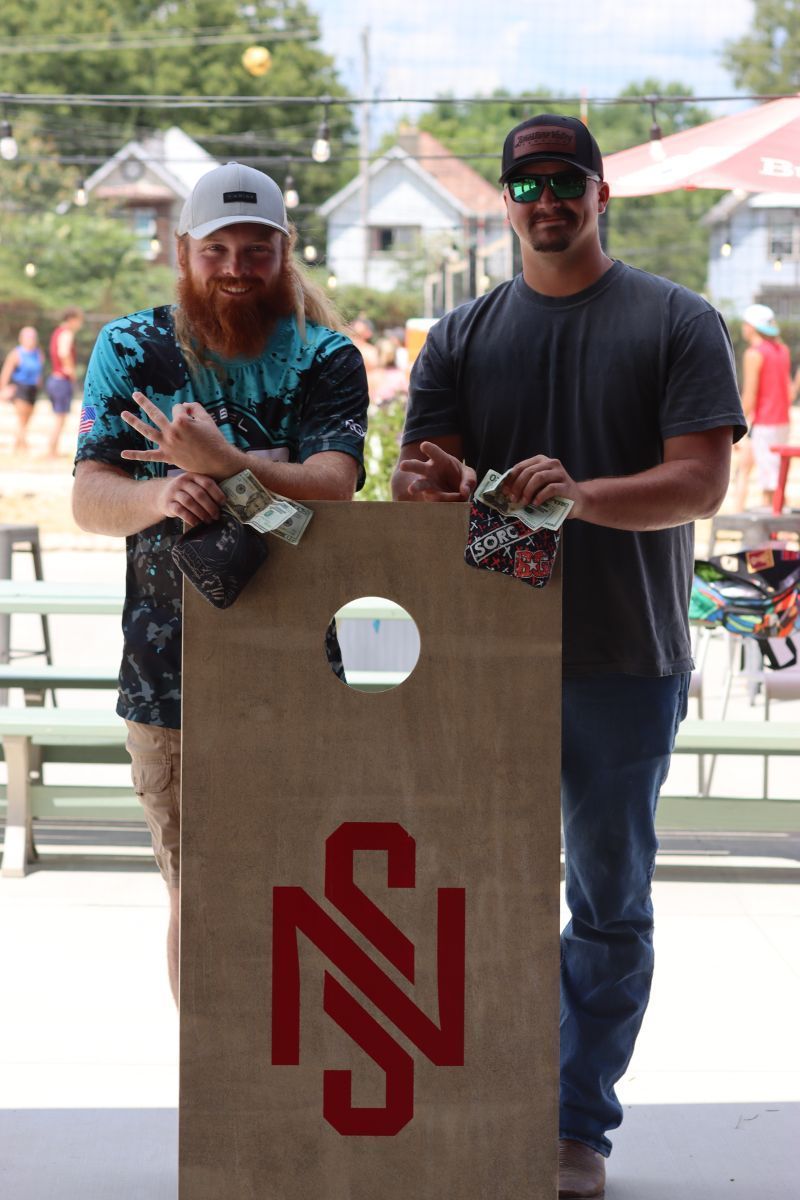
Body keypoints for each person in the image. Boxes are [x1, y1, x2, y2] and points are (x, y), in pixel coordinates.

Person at [391, 114, 746, 1198]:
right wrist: (427, 489)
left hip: (620, 658)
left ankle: (573, 1122)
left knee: (605, 902)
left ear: (601, 196)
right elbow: (425, 480)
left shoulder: (677, 321)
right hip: (480, 658)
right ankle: (475, 1099)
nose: (544, 200)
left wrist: (579, 499)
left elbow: (697, 483)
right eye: (524, 183)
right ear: (503, 200)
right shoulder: (457, 337)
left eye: (564, 182)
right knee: (466, 893)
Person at [71, 163, 369, 1005]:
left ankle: (290, 1087)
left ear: (286, 251)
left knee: (305, 889)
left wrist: (222, 466)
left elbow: (335, 486)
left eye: (257, 250)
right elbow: (91, 499)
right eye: (219, 250)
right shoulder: (133, 348)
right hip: (171, 674)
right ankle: (212, 1104)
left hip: (307, 664)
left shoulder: (326, 356)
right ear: (183, 251)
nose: (238, 267)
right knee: (196, 892)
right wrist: (163, 493)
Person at [732, 303, 792, 511]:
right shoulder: (782, 350)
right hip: (782, 420)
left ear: (751, 326)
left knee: (770, 483)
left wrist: (735, 426)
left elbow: (750, 395)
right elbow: (788, 390)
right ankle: (739, 512)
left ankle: (774, 529)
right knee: (747, 467)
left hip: (765, 423)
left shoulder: (754, 354)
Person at [44, 307, 84, 457]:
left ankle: (52, 448)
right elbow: (64, 352)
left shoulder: (57, 332)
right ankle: (52, 450)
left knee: (58, 417)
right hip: (61, 380)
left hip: (54, 378)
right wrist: (70, 369)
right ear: (72, 319)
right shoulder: (67, 333)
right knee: (60, 418)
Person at [0, 326, 44, 453]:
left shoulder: (38, 353)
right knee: (22, 417)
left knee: (27, 418)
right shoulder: (16, 353)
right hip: (20, 387)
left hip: (33, 388)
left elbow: (39, 370)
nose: (31, 340)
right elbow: (5, 374)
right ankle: (22, 446)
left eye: (33, 337)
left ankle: (18, 444)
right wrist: (3, 390)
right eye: (28, 337)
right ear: (21, 339)